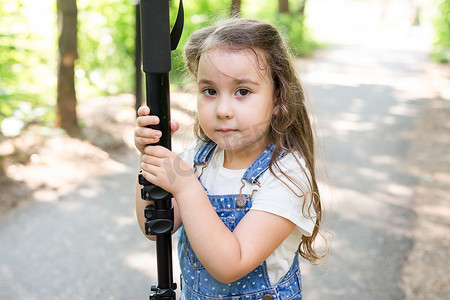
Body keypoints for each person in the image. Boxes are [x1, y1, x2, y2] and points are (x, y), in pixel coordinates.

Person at [134, 18, 326, 299]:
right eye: (210, 91)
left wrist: (186, 187)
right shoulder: (198, 160)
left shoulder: (287, 176)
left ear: (278, 100)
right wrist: (149, 159)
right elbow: (155, 229)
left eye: (243, 91)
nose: (223, 109)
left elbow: (229, 265)